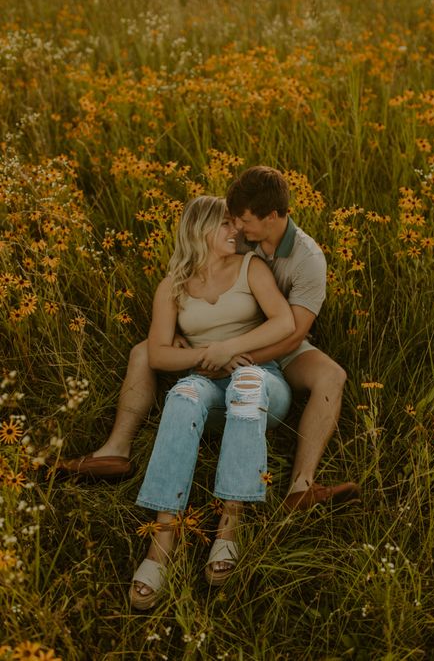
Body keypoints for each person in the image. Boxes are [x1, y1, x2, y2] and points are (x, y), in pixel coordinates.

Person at [55, 166, 360, 512]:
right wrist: (195, 341)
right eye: (232, 221)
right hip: (228, 340)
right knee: (145, 351)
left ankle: (301, 485)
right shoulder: (241, 236)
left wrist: (231, 354)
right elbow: (203, 263)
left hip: (279, 345)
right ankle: (116, 449)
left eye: (243, 220)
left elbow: (292, 332)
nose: (238, 228)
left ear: (272, 217)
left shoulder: (307, 258)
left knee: (331, 375)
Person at [128, 195, 295, 609]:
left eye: (234, 224)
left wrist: (230, 349)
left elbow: (284, 321)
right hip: (206, 381)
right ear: (198, 229)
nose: (235, 230)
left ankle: (229, 525)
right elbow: (160, 354)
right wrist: (206, 357)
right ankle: (162, 540)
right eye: (224, 224)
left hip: (262, 381)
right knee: (181, 396)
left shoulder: (250, 268)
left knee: (246, 385)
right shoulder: (173, 285)